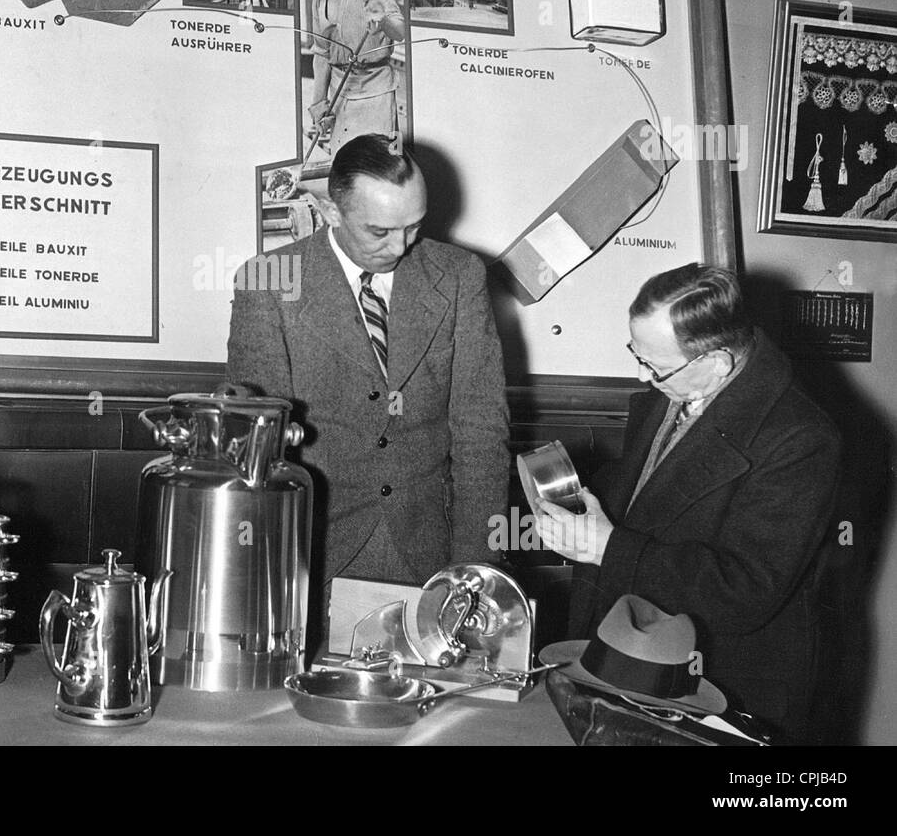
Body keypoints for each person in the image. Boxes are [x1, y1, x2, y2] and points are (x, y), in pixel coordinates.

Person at [536, 263, 840, 741]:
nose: (642, 374)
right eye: (637, 354)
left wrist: (608, 548)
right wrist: (581, 520)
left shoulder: (802, 439)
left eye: (655, 365)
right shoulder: (676, 390)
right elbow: (645, 504)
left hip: (719, 681)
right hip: (632, 659)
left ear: (716, 363)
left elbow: (745, 591)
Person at [227, 135, 510, 596]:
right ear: (332, 212)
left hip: (428, 553)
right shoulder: (269, 283)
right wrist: (263, 571)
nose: (400, 247)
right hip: (310, 555)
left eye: (414, 226)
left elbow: (481, 432)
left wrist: (474, 571)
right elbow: (258, 449)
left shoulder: (460, 276)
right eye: (379, 231)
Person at [301, 0, 406, 152]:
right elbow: (321, 54)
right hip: (341, 93)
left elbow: (401, 32)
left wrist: (382, 18)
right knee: (344, 160)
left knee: (383, 160)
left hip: (377, 91)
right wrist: (319, 104)